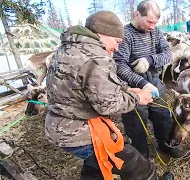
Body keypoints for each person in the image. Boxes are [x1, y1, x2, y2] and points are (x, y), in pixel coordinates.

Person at [45, 10, 174, 180]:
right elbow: (108, 105)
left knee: (96, 164)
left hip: (60, 125)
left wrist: (126, 90)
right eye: (117, 41)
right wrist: (138, 97)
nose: (117, 47)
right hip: (79, 131)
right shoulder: (97, 57)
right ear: (103, 33)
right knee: (137, 166)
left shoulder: (68, 49)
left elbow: (89, 85)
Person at [113, 0, 186, 159]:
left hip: (154, 80)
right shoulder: (125, 35)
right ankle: (141, 156)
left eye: (155, 22)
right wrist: (141, 82)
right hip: (134, 86)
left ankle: (166, 145)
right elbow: (119, 65)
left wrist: (150, 60)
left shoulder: (156, 33)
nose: (152, 26)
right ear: (137, 14)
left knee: (162, 115)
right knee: (136, 123)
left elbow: (168, 55)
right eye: (149, 21)